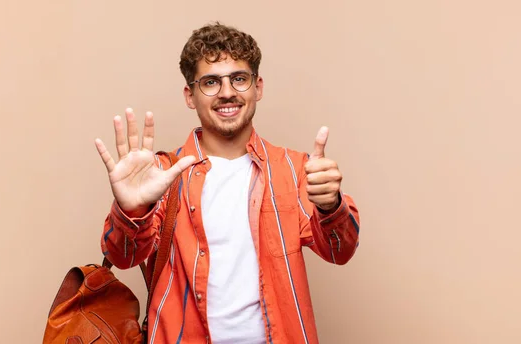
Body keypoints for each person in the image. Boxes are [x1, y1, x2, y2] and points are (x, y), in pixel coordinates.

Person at [95, 22, 360, 344]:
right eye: (210, 82)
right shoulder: (163, 173)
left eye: (238, 78)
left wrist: (331, 206)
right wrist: (131, 208)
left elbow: (339, 251)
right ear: (190, 96)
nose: (227, 92)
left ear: (257, 87)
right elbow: (123, 257)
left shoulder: (297, 169)